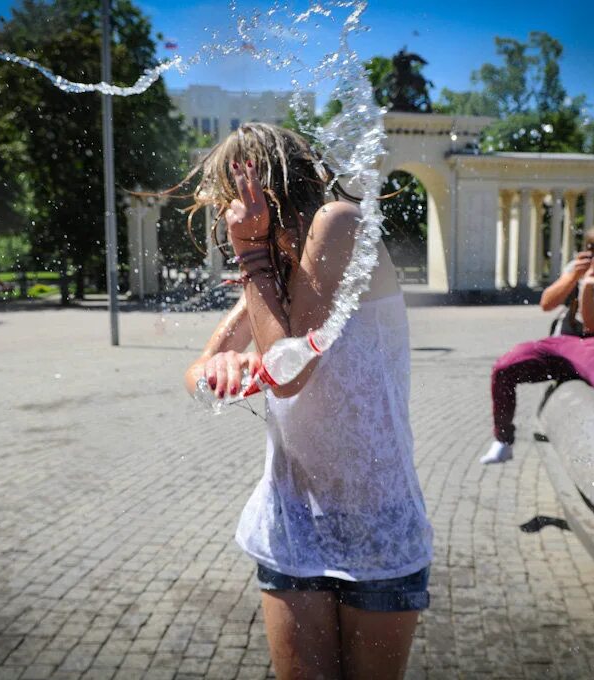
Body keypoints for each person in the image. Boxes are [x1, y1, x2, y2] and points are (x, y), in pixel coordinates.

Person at [181, 123, 434, 680]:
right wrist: (218, 367)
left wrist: (249, 252)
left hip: (376, 524)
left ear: (260, 189)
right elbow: (199, 369)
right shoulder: (278, 271)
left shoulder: (338, 223)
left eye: (230, 199)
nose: (226, 219)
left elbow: (287, 370)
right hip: (292, 522)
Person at [482, 222, 594, 464]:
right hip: (560, 344)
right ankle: (503, 441)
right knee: (504, 368)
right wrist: (574, 277)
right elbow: (546, 303)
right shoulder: (578, 269)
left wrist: (587, 289)